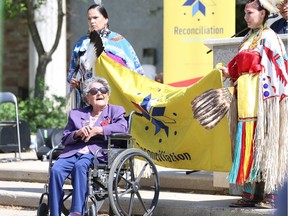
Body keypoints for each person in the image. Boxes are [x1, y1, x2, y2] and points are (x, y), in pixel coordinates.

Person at [218, 0, 288, 209]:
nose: (246, 17)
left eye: (250, 13)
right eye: (245, 13)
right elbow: (245, 69)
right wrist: (230, 73)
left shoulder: (269, 37)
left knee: (266, 146)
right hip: (246, 104)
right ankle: (250, 193)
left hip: (264, 104)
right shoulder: (248, 39)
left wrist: (270, 103)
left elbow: (277, 71)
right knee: (248, 145)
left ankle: (271, 194)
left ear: (263, 14)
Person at [49, 76, 128, 216]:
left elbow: (122, 127)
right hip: (73, 152)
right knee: (56, 170)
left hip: (97, 152)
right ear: (87, 98)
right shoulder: (76, 114)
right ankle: (54, 213)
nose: (99, 93)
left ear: (108, 95)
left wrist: (99, 130)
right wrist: (77, 133)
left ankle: (76, 212)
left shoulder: (115, 111)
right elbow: (65, 138)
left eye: (102, 90)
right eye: (94, 91)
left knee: (81, 166)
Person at [68, 4, 144, 108]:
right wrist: (74, 81)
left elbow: (135, 71)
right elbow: (73, 71)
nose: (92, 21)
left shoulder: (119, 41)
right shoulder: (81, 43)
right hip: (88, 99)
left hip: (114, 96)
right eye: (89, 18)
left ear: (105, 19)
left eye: (95, 17)